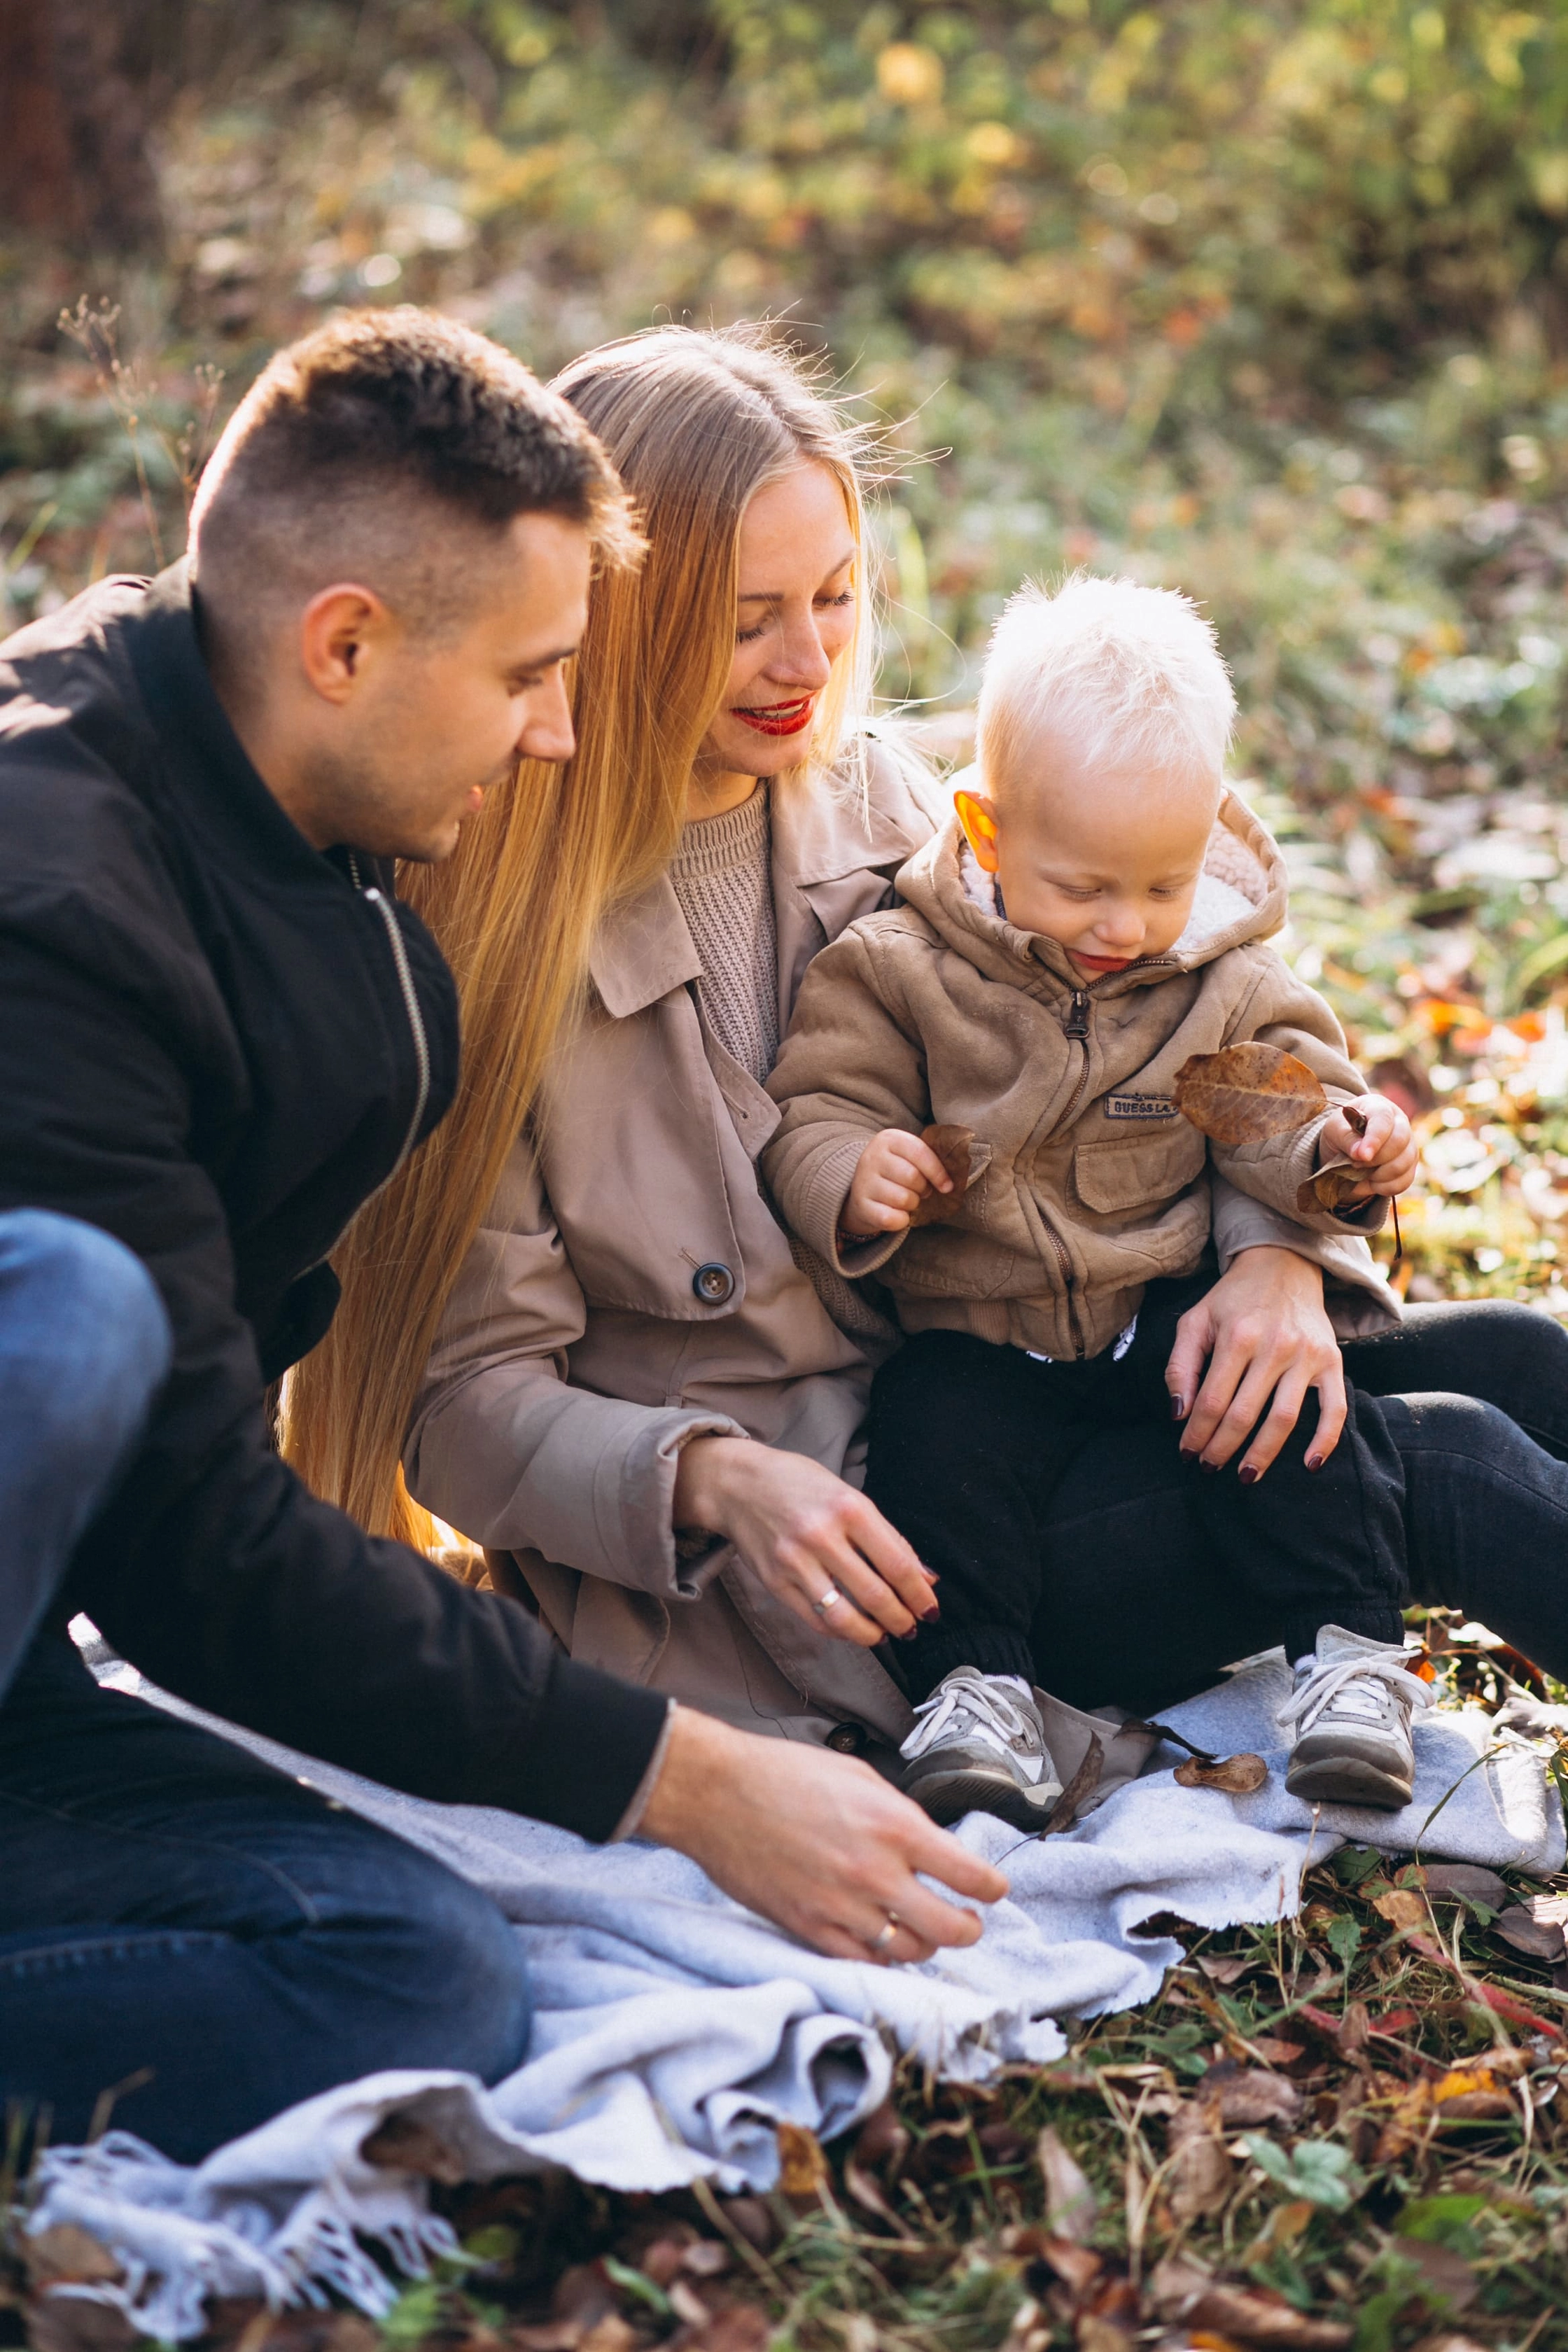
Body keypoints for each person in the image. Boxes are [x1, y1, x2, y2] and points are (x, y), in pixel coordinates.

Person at [0, 308, 1004, 2163]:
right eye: (538, 672)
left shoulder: (285, 813)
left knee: (422, 1980)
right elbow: (203, 1542)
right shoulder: (55, 912)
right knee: (69, 1315)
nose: (563, 728)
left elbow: (166, 1544)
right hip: (85, 1495)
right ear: (348, 644)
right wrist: (684, 1781)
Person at [295, 326, 1385, 1792]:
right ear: (609, 612)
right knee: (1432, 1474)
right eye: (744, 618)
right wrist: (714, 1480)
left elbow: (1176, 1021)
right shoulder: (483, 939)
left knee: (1501, 1368)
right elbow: (456, 1409)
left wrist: (1278, 1256)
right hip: (832, 1582)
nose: (805, 661)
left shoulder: (901, 810)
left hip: (1029, 1417)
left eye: (831, 597)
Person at [764, 574, 1427, 1823]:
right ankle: (981, 1696)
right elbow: (816, 1108)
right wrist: (856, 1175)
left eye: (1163, 884)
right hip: (981, 1336)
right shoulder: (898, 970)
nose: (1128, 926)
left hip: (1151, 1307)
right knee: (930, 1437)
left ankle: (1348, 1652)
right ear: (990, 831)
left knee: (1275, 1395)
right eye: (1083, 889)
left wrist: (1345, 1152)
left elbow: (1285, 1117)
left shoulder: (1214, 979)